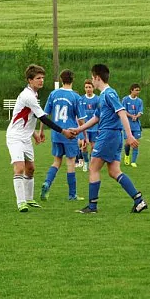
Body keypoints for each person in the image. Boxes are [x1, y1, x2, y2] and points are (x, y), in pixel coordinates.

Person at [71, 64, 148, 214]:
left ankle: (92, 207)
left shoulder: (109, 94)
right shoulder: (103, 96)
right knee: (114, 171)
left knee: (93, 167)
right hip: (112, 136)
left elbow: (121, 113)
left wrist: (130, 135)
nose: (92, 81)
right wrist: (79, 129)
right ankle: (139, 201)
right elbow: (96, 117)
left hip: (108, 135)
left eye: (93, 78)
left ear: (97, 78)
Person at [6, 65, 75, 213]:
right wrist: (63, 131)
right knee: (19, 168)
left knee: (30, 169)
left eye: (43, 78)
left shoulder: (33, 95)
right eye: (38, 78)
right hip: (15, 137)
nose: (41, 80)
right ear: (30, 80)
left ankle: (29, 199)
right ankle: (21, 202)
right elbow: (44, 118)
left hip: (25, 137)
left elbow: (26, 117)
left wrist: (34, 134)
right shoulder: (28, 96)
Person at [39, 69, 86, 201]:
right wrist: (83, 136)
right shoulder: (76, 97)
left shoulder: (53, 94)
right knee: (71, 163)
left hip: (56, 133)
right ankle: (72, 195)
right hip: (70, 133)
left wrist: (41, 131)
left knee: (56, 161)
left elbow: (44, 115)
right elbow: (81, 119)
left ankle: (47, 183)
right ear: (73, 80)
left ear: (61, 79)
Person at [79, 79, 99, 172]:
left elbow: (100, 114)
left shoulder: (97, 99)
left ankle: (91, 163)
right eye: (86, 87)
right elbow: (79, 114)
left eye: (90, 87)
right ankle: (86, 163)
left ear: (93, 88)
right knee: (83, 146)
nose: (88, 89)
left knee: (93, 146)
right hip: (84, 127)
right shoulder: (81, 99)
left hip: (94, 127)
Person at [122, 83, 143, 168]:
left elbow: (140, 112)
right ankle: (127, 155)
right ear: (132, 90)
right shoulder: (125, 99)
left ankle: (133, 161)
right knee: (128, 143)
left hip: (136, 125)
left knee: (136, 143)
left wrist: (136, 116)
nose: (138, 92)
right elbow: (123, 111)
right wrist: (131, 116)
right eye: (136, 90)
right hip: (127, 125)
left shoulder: (140, 101)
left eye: (139, 90)